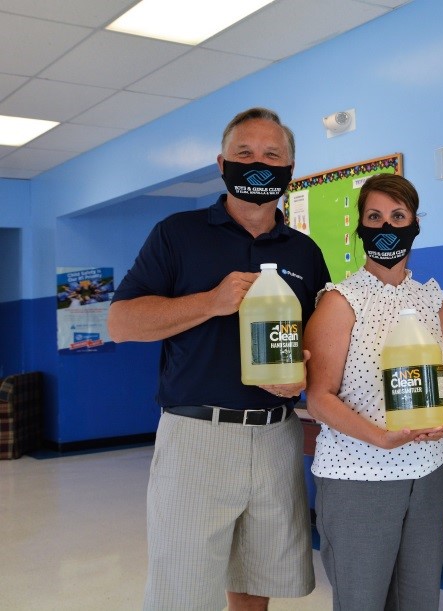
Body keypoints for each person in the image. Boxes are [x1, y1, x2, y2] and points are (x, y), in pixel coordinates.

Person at [107, 107, 330, 611]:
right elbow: (120, 324)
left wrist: (300, 375)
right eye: (244, 153)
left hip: (276, 434)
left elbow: (316, 342)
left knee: (255, 583)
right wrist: (210, 301)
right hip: (196, 437)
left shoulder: (304, 252)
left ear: (289, 170)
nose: (257, 164)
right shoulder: (177, 233)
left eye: (271, 155)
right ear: (222, 163)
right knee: (181, 589)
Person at [304, 173, 443, 611]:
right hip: (360, 476)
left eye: (398, 216)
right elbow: (318, 399)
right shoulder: (340, 301)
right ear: (360, 227)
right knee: (363, 601)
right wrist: (380, 438)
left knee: (419, 600)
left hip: (429, 473)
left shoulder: (432, 300)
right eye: (374, 217)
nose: (386, 227)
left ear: (414, 225)